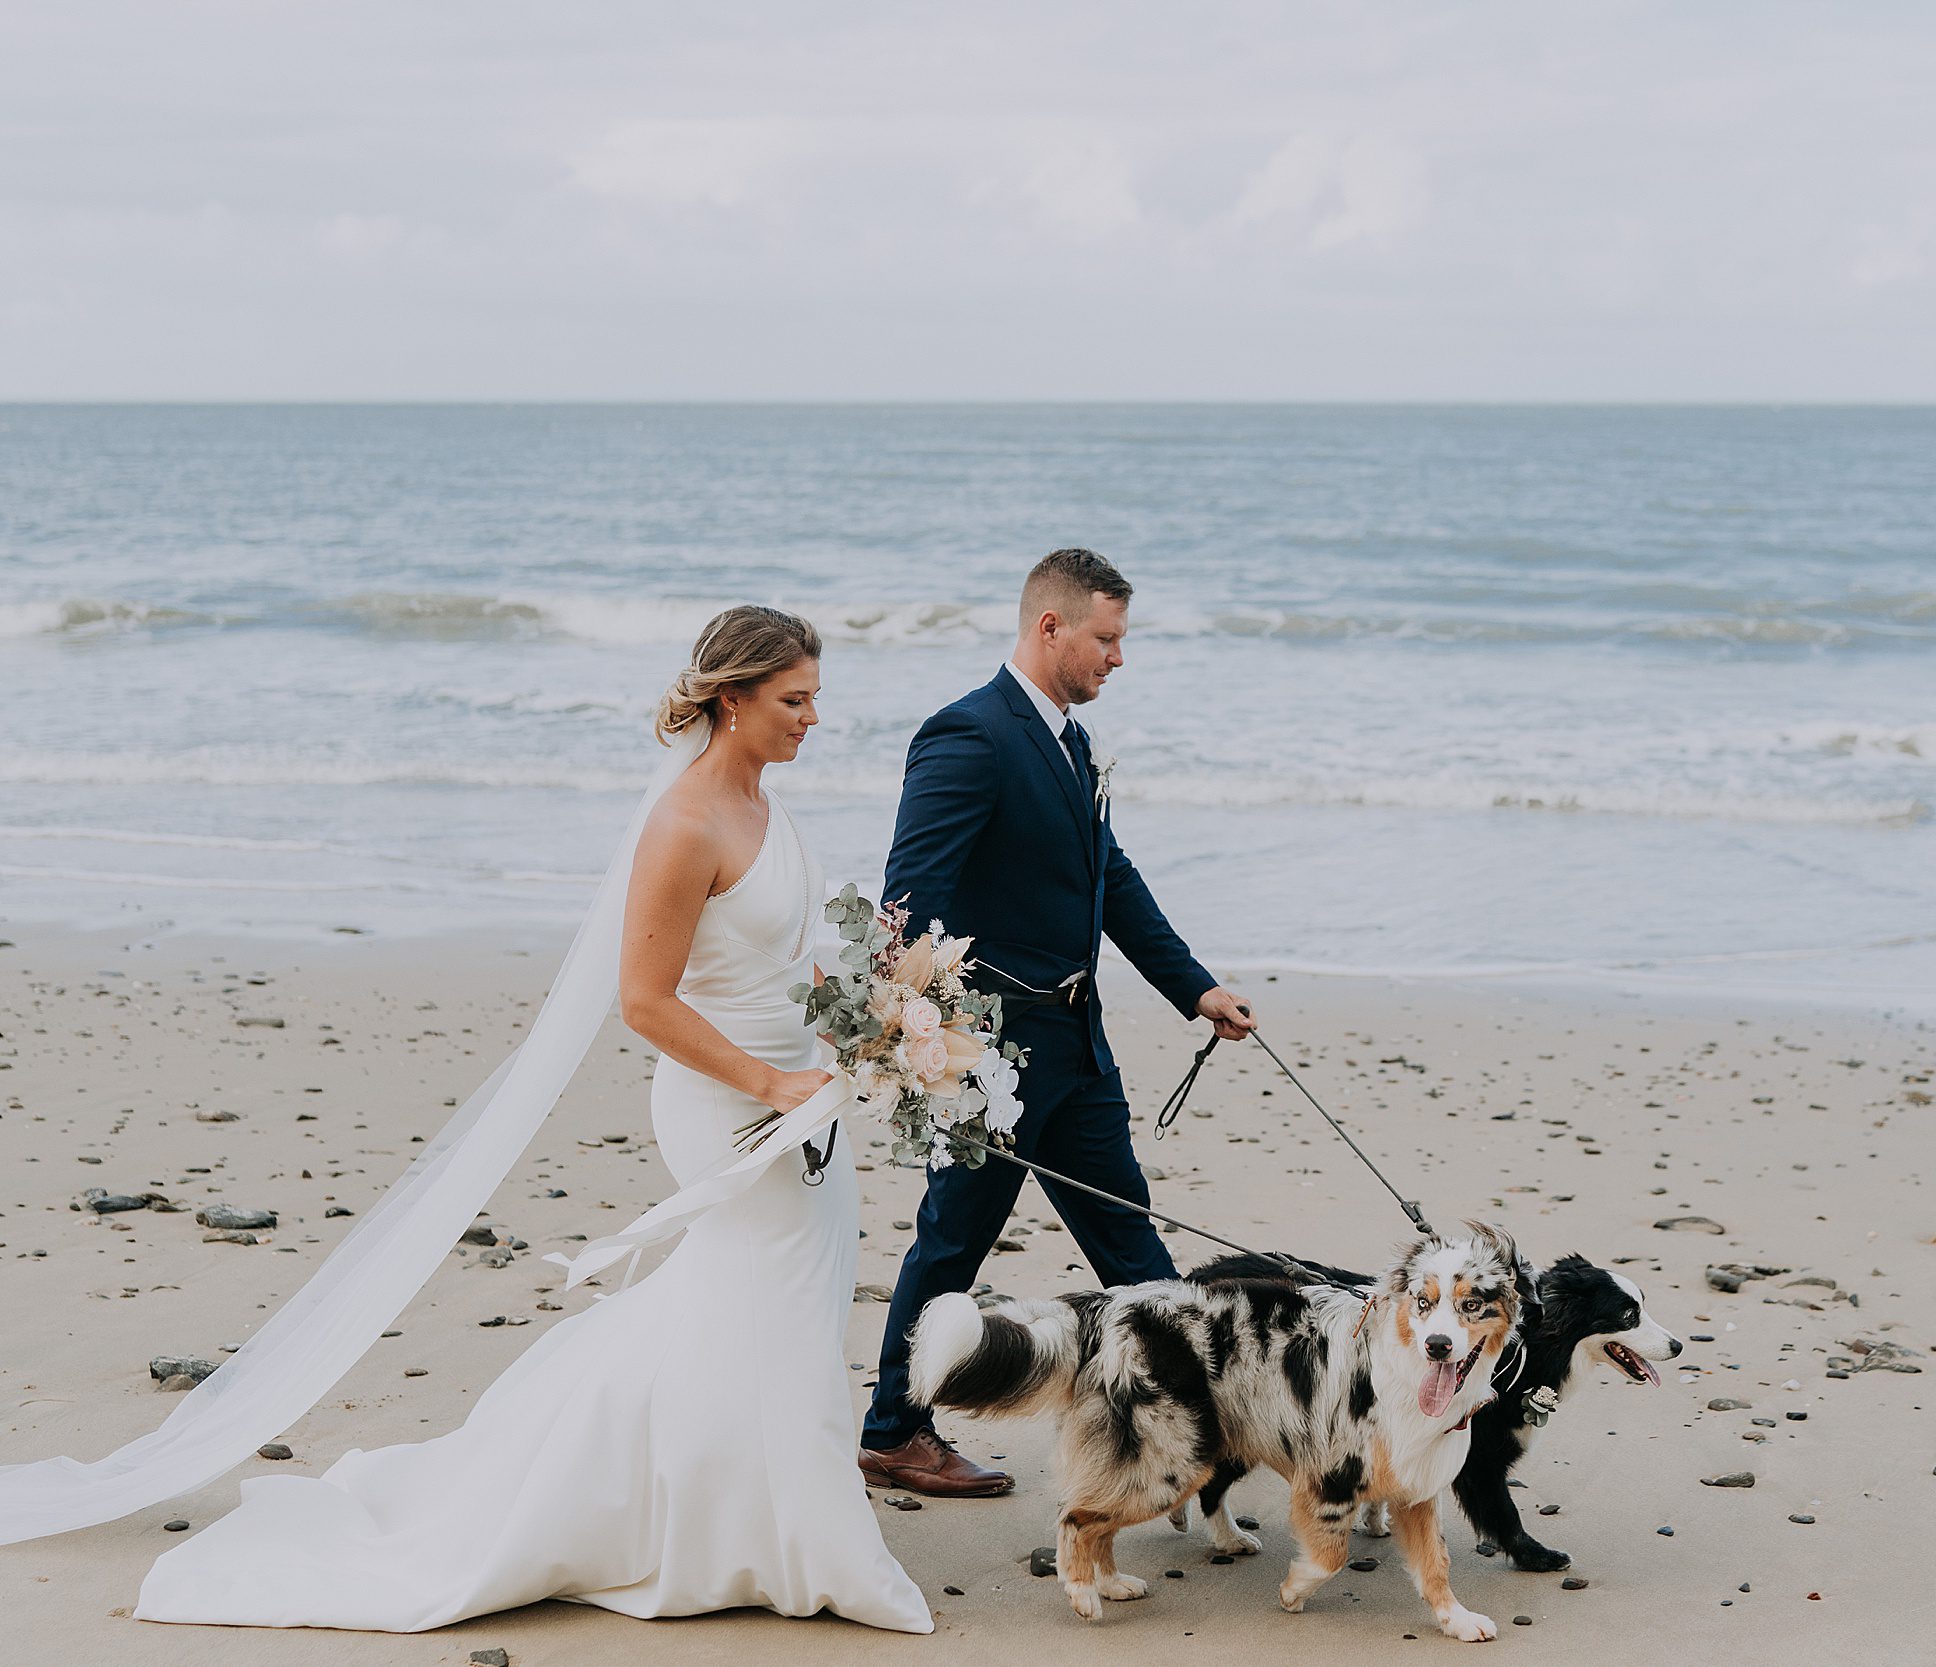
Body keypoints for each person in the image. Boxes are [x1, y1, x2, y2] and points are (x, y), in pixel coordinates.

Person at [116, 607, 931, 1631]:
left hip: (801, 1085)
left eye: (815, 696)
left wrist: (873, 1019)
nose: (815, 717)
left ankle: (747, 1517)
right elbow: (645, 998)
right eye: (794, 699)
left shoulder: (765, 801)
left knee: (779, 1302)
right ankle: (769, 1526)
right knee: (762, 1290)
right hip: (729, 1098)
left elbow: (767, 955)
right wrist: (768, 1086)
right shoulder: (683, 822)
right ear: (731, 698)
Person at [858, 549, 1257, 1497]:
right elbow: (908, 907)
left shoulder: (1071, 743)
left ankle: (1191, 1436)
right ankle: (892, 1429)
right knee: (951, 1244)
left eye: (1121, 639)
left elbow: (1108, 878)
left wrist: (1192, 987)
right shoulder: (969, 736)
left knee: (1134, 1246)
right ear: (1051, 627)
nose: (1118, 658)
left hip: (1078, 1052)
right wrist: (936, 1052)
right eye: (1107, 638)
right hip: (994, 1060)